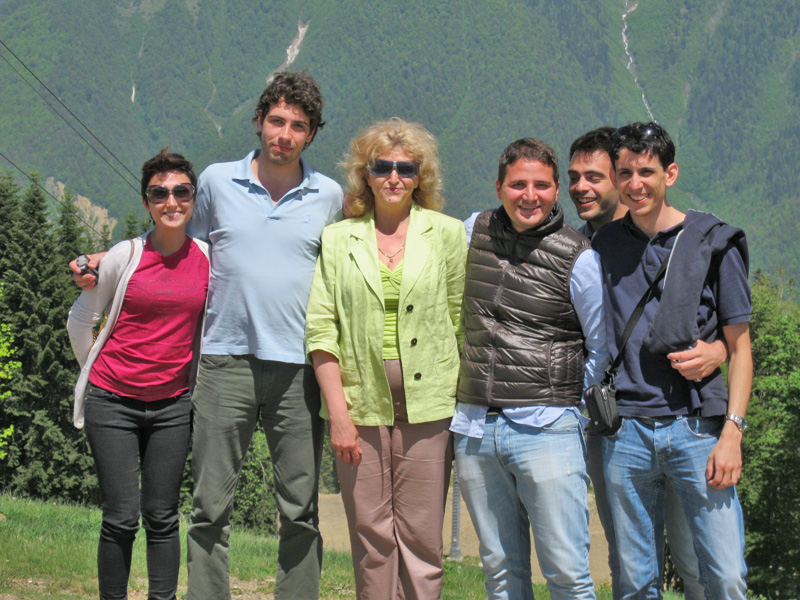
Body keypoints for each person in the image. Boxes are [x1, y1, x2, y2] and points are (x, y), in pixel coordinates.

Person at [71, 71, 343, 600]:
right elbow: (174, 241)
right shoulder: (217, 182)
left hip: (298, 365)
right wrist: (112, 257)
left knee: (300, 508)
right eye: (276, 121)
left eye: (298, 126)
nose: (284, 134)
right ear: (259, 121)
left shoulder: (328, 195)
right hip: (223, 361)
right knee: (210, 506)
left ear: (312, 134)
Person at [305, 118, 466, 599]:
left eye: (406, 168)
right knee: (371, 537)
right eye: (382, 167)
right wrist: (338, 414)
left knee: (421, 538)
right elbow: (322, 330)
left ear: (420, 177)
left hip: (431, 404)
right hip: (359, 405)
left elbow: (461, 321)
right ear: (366, 174)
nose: (394, 177)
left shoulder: (447, 234)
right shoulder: (339, 239)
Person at [592, 122, 751, 599]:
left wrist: (732, 434)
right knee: (635, 581)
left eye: (646, 171)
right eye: (625, 173)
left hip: (697, 429)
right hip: (625, 430)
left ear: (670, 173)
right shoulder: (604, 245)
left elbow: (740, 347)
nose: (635, 183)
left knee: (725, 574)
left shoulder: (713, 242)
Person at [454, 138, 607, 600]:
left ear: (557, 189)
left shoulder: (579, 256)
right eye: (518, 184)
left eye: (541, 185)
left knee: (567, 575)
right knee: (501, 573)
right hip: (476, 426)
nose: (529, 195)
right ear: (498, 187)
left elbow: (600, 348)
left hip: (547, 429)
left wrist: (562, 399)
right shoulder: (471, 231)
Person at [67, 148, 210, 600]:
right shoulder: (125, 256)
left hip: (173, 406)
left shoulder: (208, 258)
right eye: (159, 193)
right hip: (112, 402)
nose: (171, 201)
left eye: (181, 191)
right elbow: (81, 319)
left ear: (193, 197)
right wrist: (93, 371)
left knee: (163, 517)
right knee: (120, 518)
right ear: (146, 202)